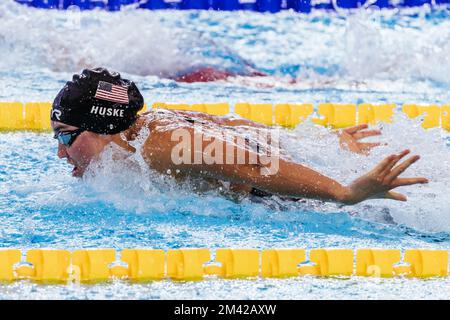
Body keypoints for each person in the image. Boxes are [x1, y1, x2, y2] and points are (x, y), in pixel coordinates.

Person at [51, 68, 428, 205]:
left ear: (102, 128)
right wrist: (323, 143)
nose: (60, 152)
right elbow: (234, 128)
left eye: (67, 138)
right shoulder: (151, 123)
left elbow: (253, 166)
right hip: (297, 169)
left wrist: (343, 193)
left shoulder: (160, 145)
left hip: (288, 198)